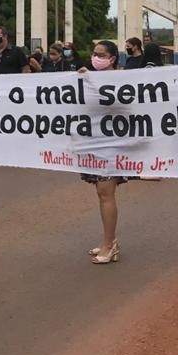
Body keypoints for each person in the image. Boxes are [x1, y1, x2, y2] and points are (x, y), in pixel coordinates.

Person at [77, 41, 125, 265]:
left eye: (101, 55)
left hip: (112, 144)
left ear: (112, 58)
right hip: (93, 142)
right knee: (101, 193)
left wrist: (93, 84)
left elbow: (121, 106)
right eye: (94, 53)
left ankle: (110, 245)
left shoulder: (122, 80)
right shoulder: (90, 77)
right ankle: (108, 239)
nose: (96, 58)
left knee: (106, 193)